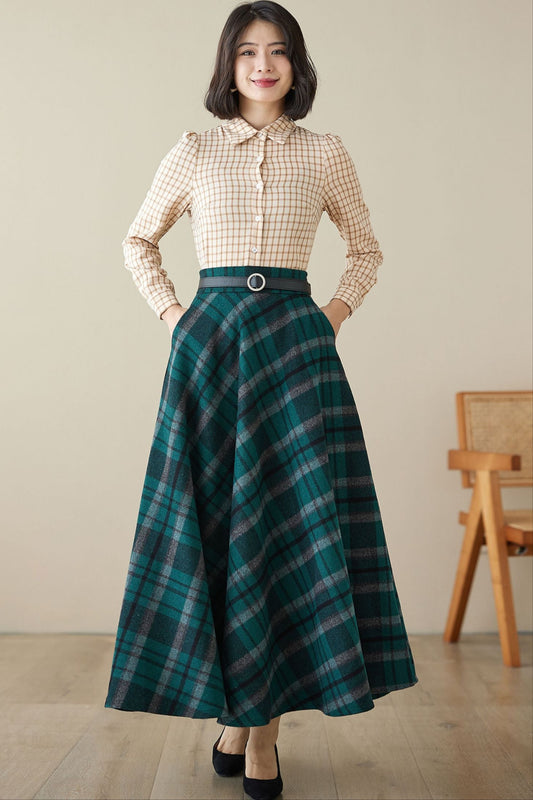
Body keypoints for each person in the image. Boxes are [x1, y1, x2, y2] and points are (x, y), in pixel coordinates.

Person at [104, 2, 418, 798]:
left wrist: (330, 319)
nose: (263, 65)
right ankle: (240, 717)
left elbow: (366, 248)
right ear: (228, 65)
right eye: (247, 52)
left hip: (294, 348)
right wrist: (177, 318)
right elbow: (138, 238)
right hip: (209, 349)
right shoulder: (193, 149)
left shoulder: (325, 152)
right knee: (217, 527)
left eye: (278, 52)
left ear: (296, 64)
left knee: (281, 524)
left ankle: (261, 729)